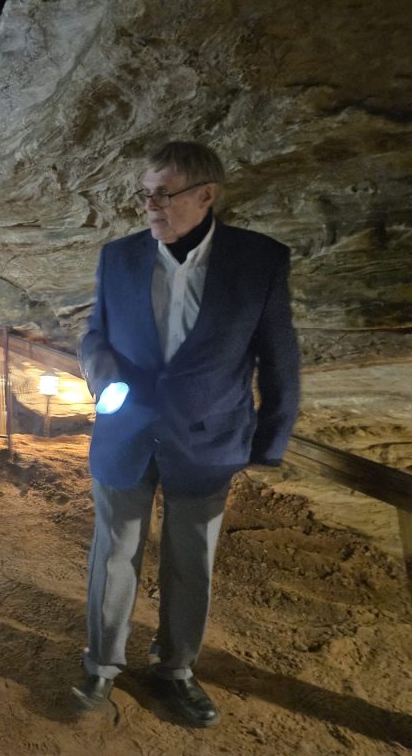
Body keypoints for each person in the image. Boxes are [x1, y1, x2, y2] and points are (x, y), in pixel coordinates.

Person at [74, 141, 300, 727]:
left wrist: (268, 441)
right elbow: (95, 335)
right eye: (145, 194)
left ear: (205, 195)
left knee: (191, 560)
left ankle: (175, 669)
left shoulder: (259, 261)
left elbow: (279, 357)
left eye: (163, 194)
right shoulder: (119, 257)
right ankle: (101, 665)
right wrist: (104, 381)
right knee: (113, 554)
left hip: (208, 441)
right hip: (126, 433)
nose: (150, 206)